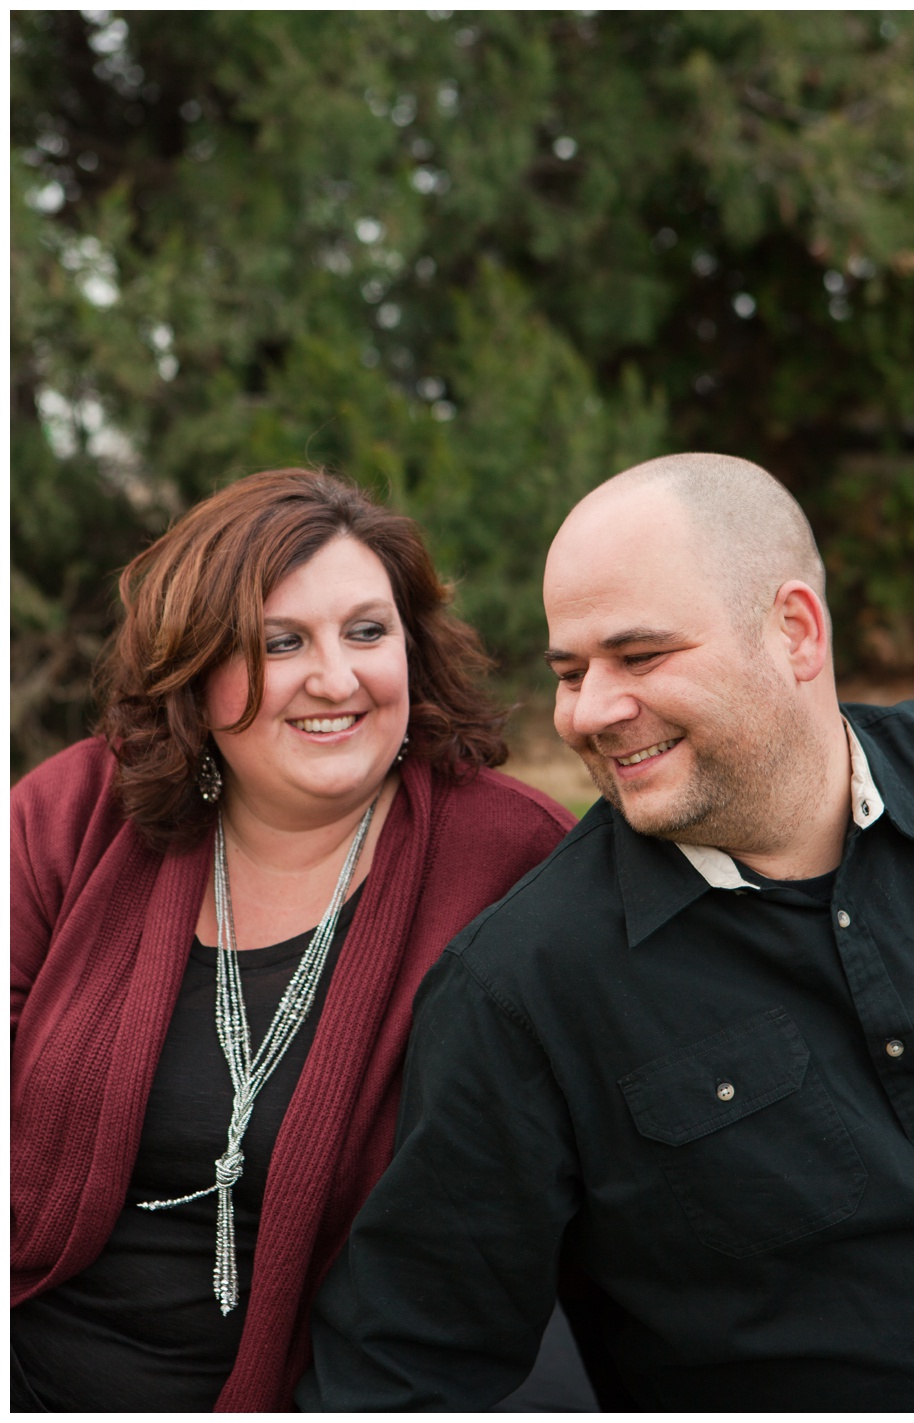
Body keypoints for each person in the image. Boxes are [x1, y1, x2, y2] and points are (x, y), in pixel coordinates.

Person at [298, 452, 914, 1411]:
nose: (589, 712)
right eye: (570, 671)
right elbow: (406, 1369)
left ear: (796, 631)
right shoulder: (523, 987)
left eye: (640, 657)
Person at [10, 469, 577, 1412]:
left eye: (367, 630)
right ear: (194, 668)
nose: (336, 678)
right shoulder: (75, 815)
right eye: (280, 642)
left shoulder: (516, 862)